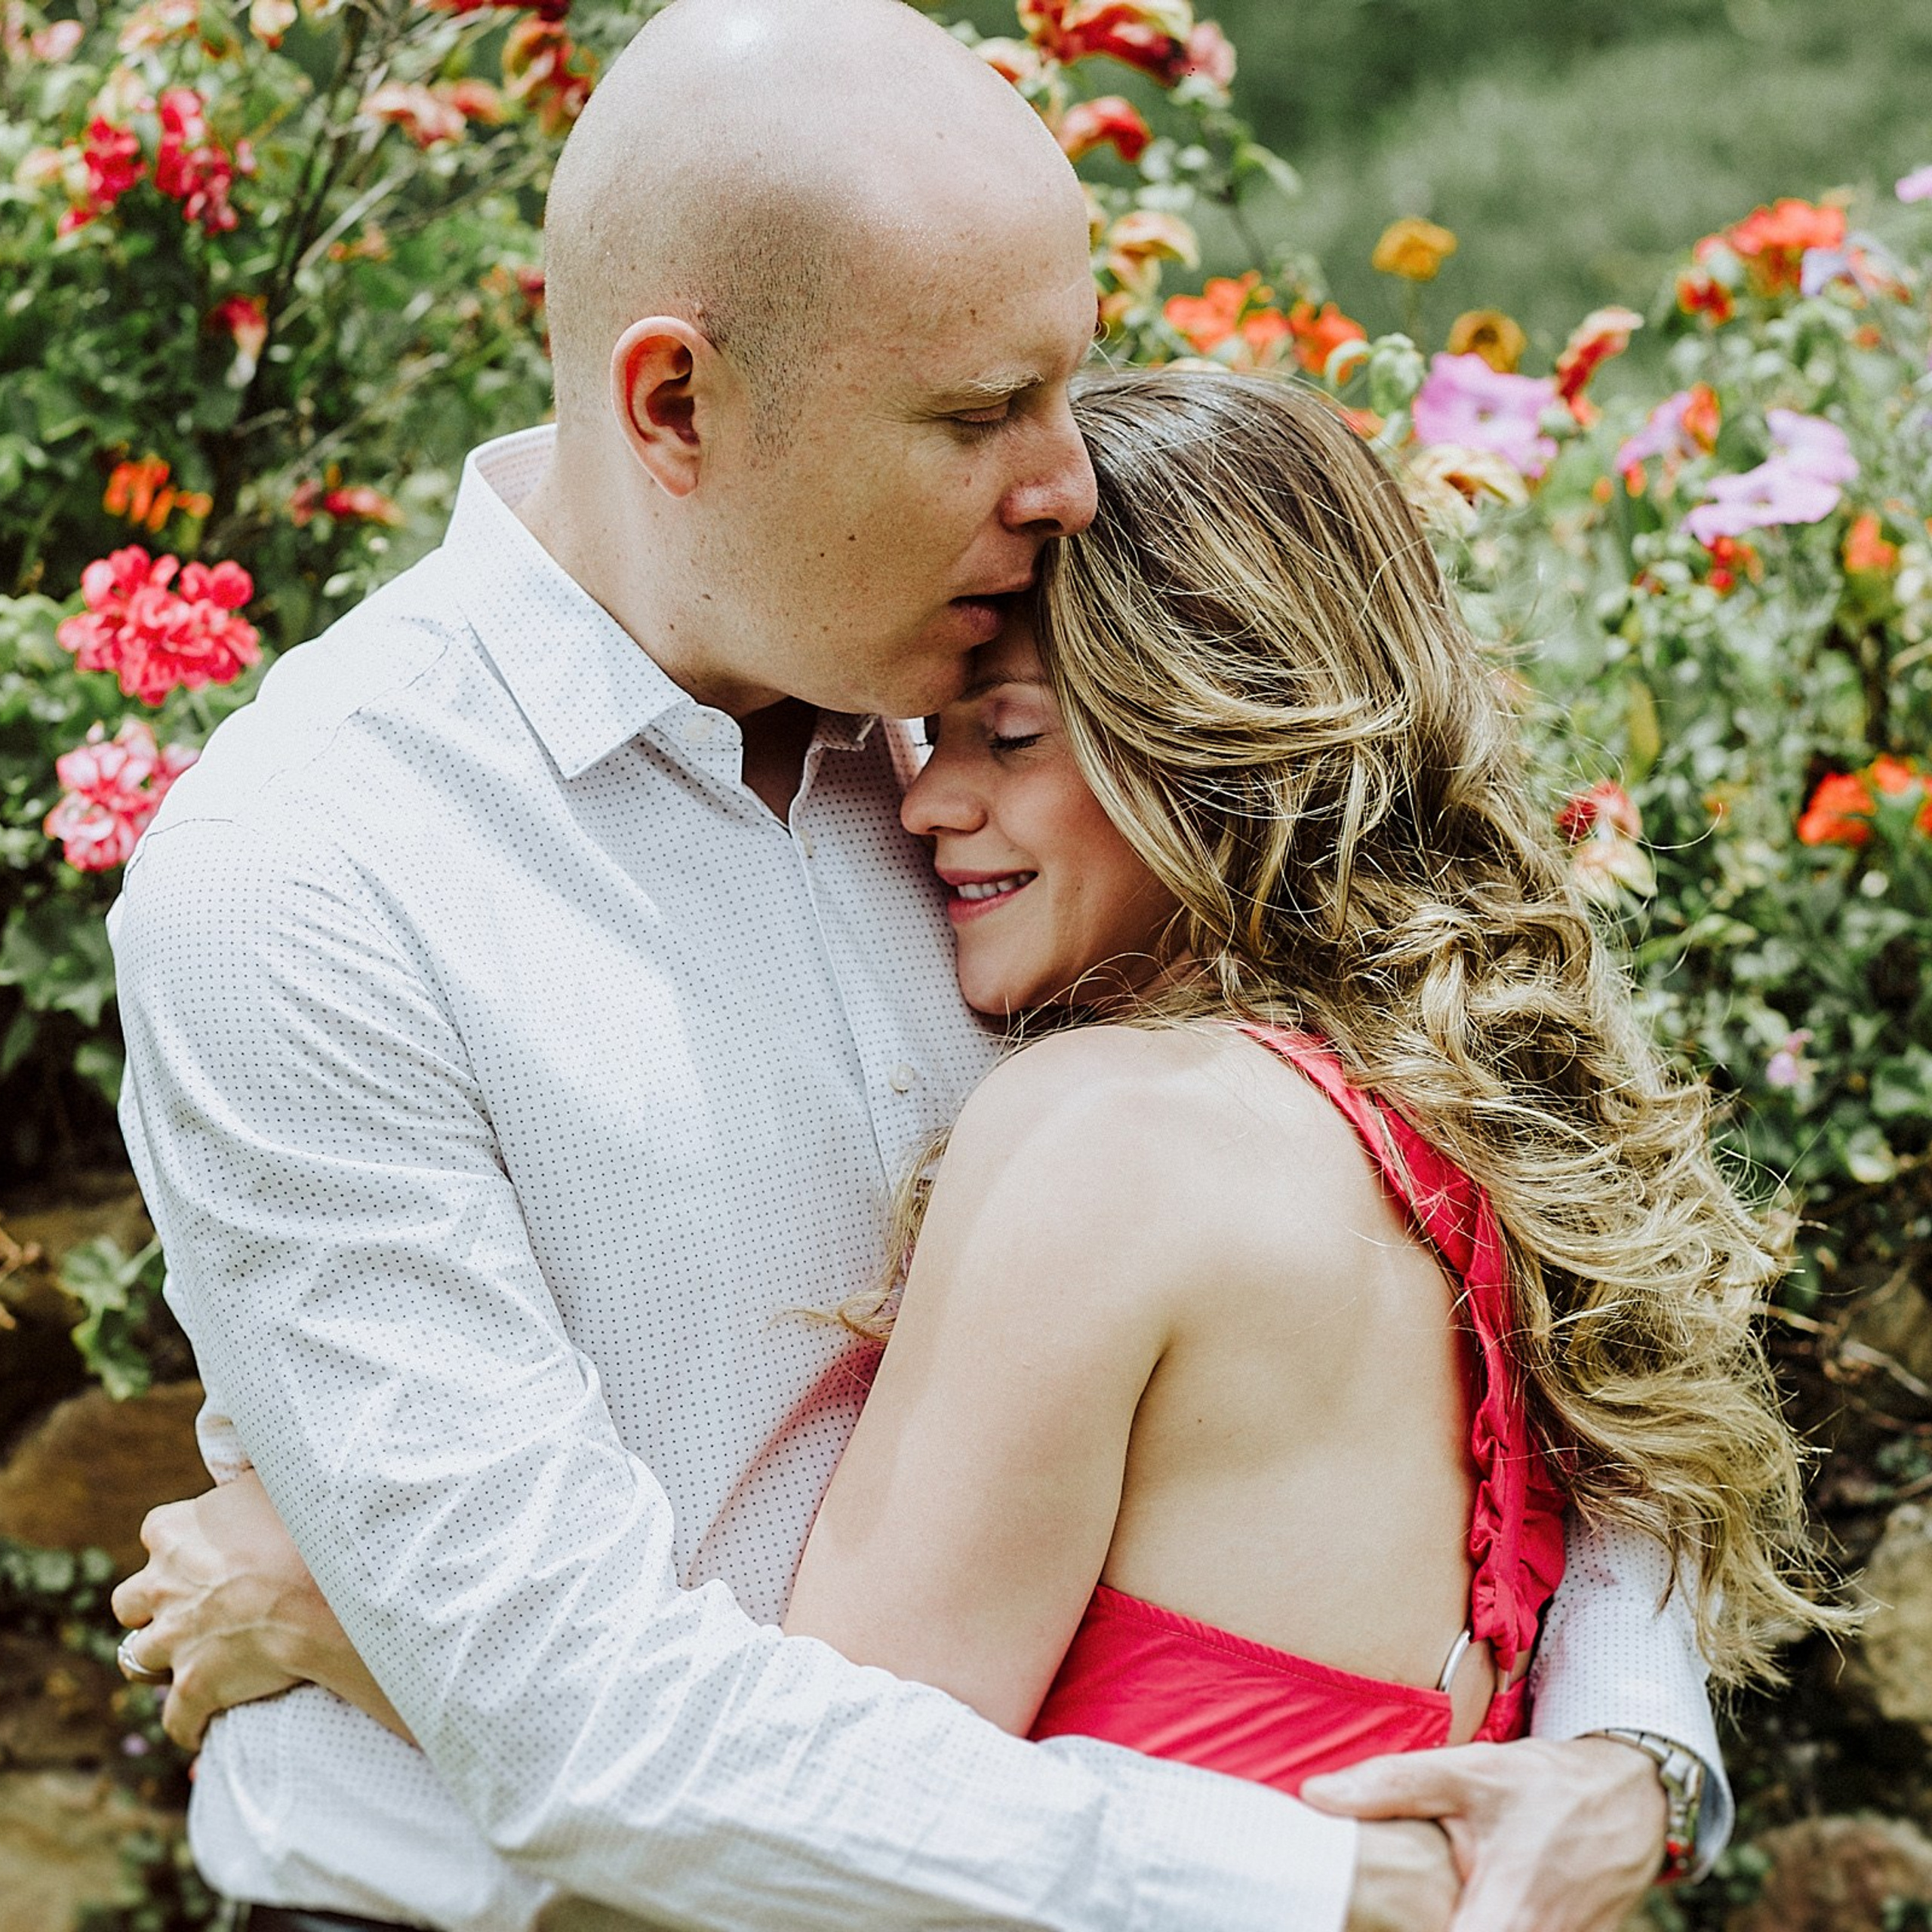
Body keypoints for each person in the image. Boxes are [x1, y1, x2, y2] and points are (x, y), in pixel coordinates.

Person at [106, 4, 1739, 1928]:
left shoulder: (1026, 734)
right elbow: (582, 1744)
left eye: (1067, 383)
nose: (1064, 482)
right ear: (674, 407)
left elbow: (1552, 1250)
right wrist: (1341, 1885)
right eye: (977, 416)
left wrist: (1630, 1755)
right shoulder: (312, 880)